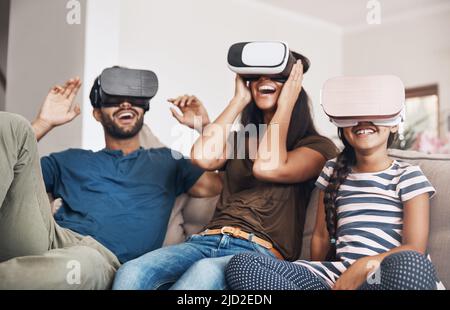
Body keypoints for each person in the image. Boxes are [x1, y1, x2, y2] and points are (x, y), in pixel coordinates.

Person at [112, 58, 338, 290]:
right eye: (256, 76)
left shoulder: (318, 147)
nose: (263, 80)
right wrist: (238, 100)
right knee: (131, 271)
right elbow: (203, 156)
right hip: (204, 240)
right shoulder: (241, 141)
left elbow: (268, 166)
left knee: (204, 272)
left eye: (275, 76)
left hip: (257, 252)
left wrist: (286, 105)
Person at [0, 68, 221, 289]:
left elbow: (218, 186)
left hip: (102, 262)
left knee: (81, 262)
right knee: (12, 124)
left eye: (134, 98)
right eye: (114, 99)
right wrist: (43, 123)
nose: (126, 104)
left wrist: (205, 127)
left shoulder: (167, 162)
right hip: (54, 239)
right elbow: (17, 171)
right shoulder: (69, 160)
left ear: (144, 109)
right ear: (97, 113)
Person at [225, 76, 442, 290]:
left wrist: (363, 266)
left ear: (394, 124)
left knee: (415, 264)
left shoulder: (408, 175)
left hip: (383, 273)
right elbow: (320, 236)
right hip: (336, 277)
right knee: (243, 264)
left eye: (374, 113)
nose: (362, 121)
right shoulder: (332, 169)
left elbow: (414, 248)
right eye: (353, 114)